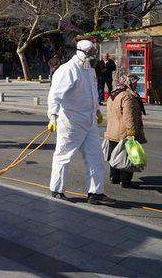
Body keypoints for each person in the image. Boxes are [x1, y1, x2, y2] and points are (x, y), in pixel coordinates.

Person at [47, 39, 116, 206]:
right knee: (64, 156)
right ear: (80, 52)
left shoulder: (89, 70)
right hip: (71, 121)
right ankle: (57, 189)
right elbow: (54, 95)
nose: (93, 57)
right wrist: (52, 116)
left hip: (89, 120)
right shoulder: (67, 70)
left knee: (96, 157)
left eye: (94, 54)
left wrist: (97, 110)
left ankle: (95, 192)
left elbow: (92, 92)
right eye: (90, 54)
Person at [104, 74, 147, 189]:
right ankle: (126, 181)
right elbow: (129, 116)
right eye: (134, 83)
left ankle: (114, 178)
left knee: (114, 155)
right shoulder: (127, 96)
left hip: (112, 131)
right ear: (128, 83)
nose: (136, 85)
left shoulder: (113, 94)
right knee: (127, 157)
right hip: (124, 132)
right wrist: (131, 132)